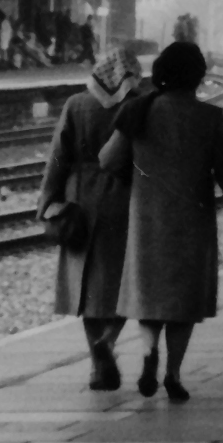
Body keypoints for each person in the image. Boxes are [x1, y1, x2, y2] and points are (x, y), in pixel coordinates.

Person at [97, 39, 223, 402]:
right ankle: (173, 373)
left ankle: (148, 353)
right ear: (198, 77)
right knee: (183, 302)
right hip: (193, 220)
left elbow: (108, 160)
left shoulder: (140, 111)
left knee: (150, 293)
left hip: (147, 220)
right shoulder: (210, 118)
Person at [40, 47, 141, 391]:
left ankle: (97, 367)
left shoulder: (75, 104)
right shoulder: (136, 106)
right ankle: (108, 343)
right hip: (124, 201)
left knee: (86, 290)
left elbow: (57, 158)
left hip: (79, 201)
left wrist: (48, 202)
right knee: (123, 284)